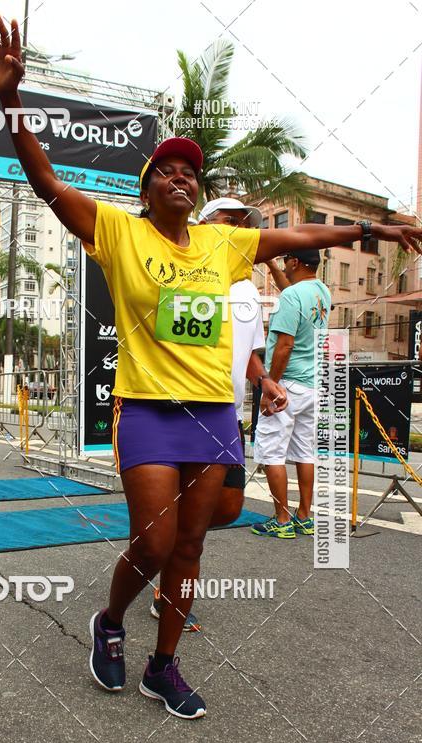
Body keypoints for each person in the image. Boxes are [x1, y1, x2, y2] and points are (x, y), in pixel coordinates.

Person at [0, 13, 422, 719]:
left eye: (192, 174)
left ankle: (165, 665)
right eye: (170, 172)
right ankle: (112, 619)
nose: (184, 180)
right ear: (148, 188)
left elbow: (299, 233)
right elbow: (45, 181)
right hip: (149, 410)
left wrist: (372, 227)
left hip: (213, 413)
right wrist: (9, 98)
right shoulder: (117, 232)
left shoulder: (222, 244)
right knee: (152, 543)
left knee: (191, 546)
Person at [150, 197, 288, 632]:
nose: (242, 234)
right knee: (185, 524)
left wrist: (265, 380)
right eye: (233, 223)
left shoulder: (249, 291)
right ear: (209, 226)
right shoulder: (190, 277)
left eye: (246, 226)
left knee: (227, 508)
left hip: (225, 415)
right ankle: (167, 589)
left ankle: (172, 553)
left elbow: (250, 352)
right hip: (182, 411)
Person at [252, 249, 330, 538]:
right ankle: (303, 516)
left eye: (285, 260)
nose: (284, 265)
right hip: (312, 385)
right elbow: (290, 290)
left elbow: (284, 345)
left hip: (286, 384)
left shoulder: (291, 297)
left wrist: (269, 385)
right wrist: (271, 264)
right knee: (304, 452)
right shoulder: (321, 291)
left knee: (273, 453)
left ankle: (281, 520)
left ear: (295, 262)